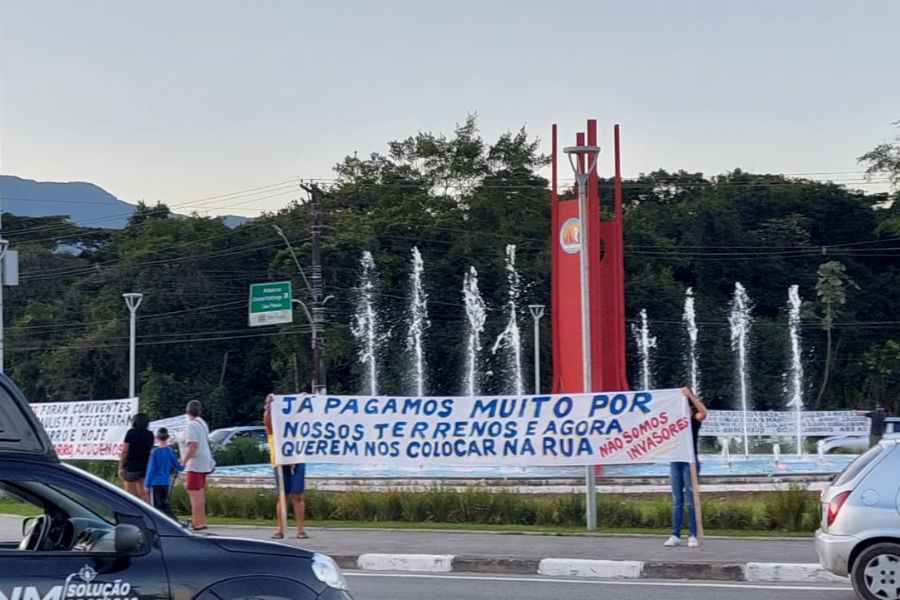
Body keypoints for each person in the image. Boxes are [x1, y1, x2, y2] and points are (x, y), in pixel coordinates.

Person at [665, 386, 707, 548]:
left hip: (690, 462)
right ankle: (675, 534)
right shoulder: (672, 423)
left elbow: (704, 412)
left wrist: (690, 395)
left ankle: (693, 534)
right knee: (677, 500)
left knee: (691, 501)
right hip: (675, 461)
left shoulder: (694, 421)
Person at [264, 394, 307, 539]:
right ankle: (280, 529)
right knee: (283, 496)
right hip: (280, 462)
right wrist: (269, 408)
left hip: (297, 460)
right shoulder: (274, 431)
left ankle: (300, 529)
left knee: (297, 496)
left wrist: (304, 402)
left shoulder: (296, 429)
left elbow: (307, 420)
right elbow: (267, 423)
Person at [180, 400, 215, 531]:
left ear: (187, 411)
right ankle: (201, 520)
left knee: (194, 493)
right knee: (199, 492)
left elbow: (193, 445)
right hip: (204, 462)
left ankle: (197, 521)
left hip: (194, 464)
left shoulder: (191, 426)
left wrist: (183, 460)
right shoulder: (202, 423)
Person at [144, 427, 184, 519]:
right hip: (165, 481)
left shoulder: (155, 452)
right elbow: (178, 467)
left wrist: (147, 485)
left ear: (157, 438)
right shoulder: (170, 451)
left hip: (155, 482)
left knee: (156, 506)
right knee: (164, 502)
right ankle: (172, 519)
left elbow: (151, 469)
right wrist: (182, 464)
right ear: (167, 438)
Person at [119, 413, 154, 502]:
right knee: (144, 493)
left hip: (131, 466)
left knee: (129, 494)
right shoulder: (150, 434)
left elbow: (125, 451)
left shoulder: (131, 432)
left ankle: (130, 512)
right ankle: (147, 511)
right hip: (145, 465)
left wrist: (121, 466)